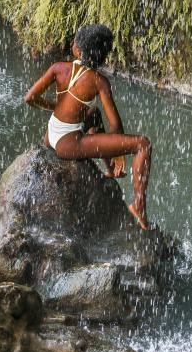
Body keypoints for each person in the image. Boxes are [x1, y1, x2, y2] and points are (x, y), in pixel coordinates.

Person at [23, 24, 153, 230]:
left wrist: (55, 106)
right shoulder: (99, 81)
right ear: (103, 56)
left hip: (50, 136)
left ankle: (109, 170)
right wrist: (119, 151)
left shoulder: (58, 68)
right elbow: (116, 125)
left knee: (93, 114)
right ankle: (139, 206)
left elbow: (30, 98)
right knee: (143, 144)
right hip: (68, 146)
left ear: (77, 49)